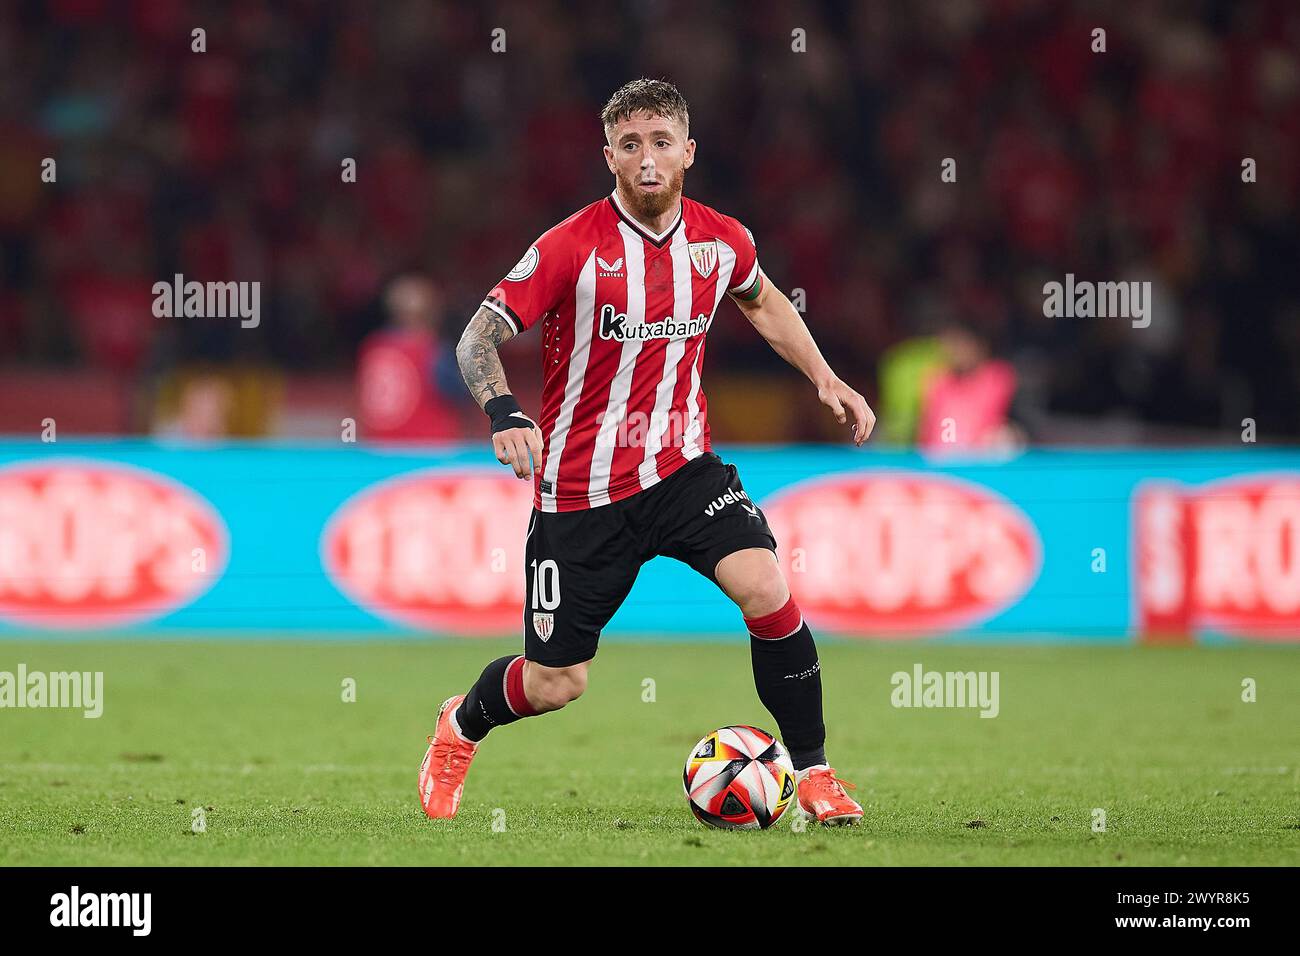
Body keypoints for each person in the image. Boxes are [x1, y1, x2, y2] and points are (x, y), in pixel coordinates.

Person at [420, 79, 876, 826]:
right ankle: (459, 726)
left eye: (662, 142)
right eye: (630, 145)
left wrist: (826, 378)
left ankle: (817, 773)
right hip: (580, 492)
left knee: (764, 587)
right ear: (610, 157)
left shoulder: (722, 240)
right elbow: (478, 335)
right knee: (556, 682)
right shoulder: (568, 247)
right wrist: (503, 410)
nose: (647, 158)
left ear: (688, 152)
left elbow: (762, 300)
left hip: (682, 470)